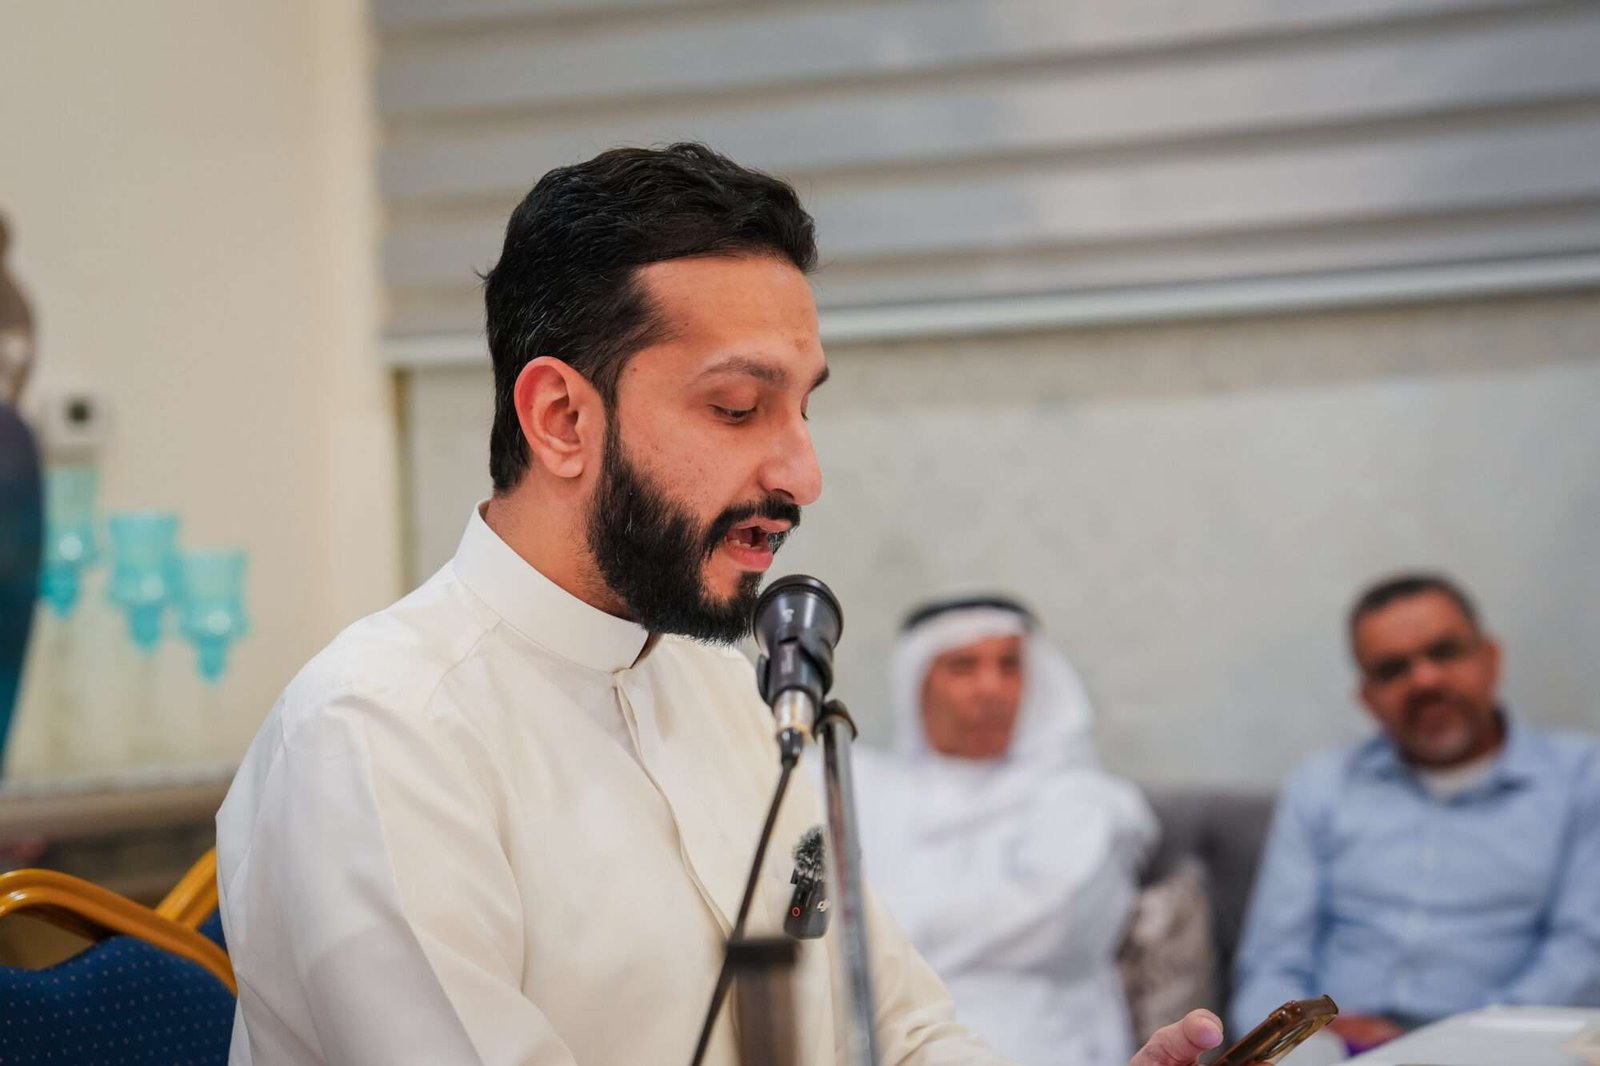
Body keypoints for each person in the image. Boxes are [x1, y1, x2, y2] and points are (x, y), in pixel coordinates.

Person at [216, 143, 1232, 1066]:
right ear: (562, 419)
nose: (803, 474)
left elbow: (899, 1028)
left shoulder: (735, 692)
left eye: (804, 407)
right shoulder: (377, 733)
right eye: (738, 408)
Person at [1232, 574, 1600, 1057]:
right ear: (1366, 697)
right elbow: (1271, 964)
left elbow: (1582, 956)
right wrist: (1303, 1041)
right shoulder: (1321, 786)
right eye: (1392, 670)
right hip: (1339, 1051)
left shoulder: (1583, 779)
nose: (1424, 680)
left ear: (1491, 659)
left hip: (1507, 1048)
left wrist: (1445, 1044)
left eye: (1444, 652)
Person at [853, 596, 1160, 1066]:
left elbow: (1057, 926)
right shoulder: (860, 786)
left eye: (1009, 665)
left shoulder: (1085, 800)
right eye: (963, 666)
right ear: (917, 683)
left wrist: (883, 934)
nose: (991, 688)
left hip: (1036, 1035)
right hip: (873, 1029)